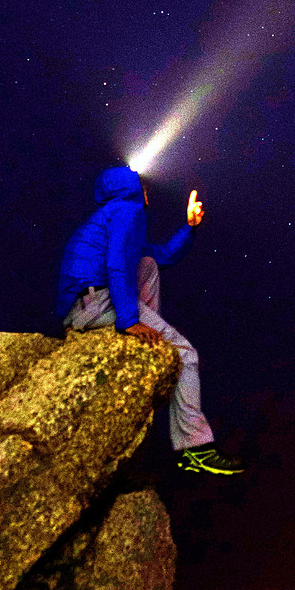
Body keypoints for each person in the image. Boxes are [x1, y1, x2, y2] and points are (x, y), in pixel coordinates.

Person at [56, 165, 247, 475]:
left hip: (82, 305)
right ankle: (195, 448)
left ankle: (144, 338)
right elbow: (117, 263)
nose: (148, 194)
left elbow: (162, 256)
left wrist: (189, 226)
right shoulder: (127, 211)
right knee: (184, 354)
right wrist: (129, 320)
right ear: (131, 189)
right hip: (94, 302)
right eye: (142, 187)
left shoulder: (111, 215)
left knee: (147, 264)